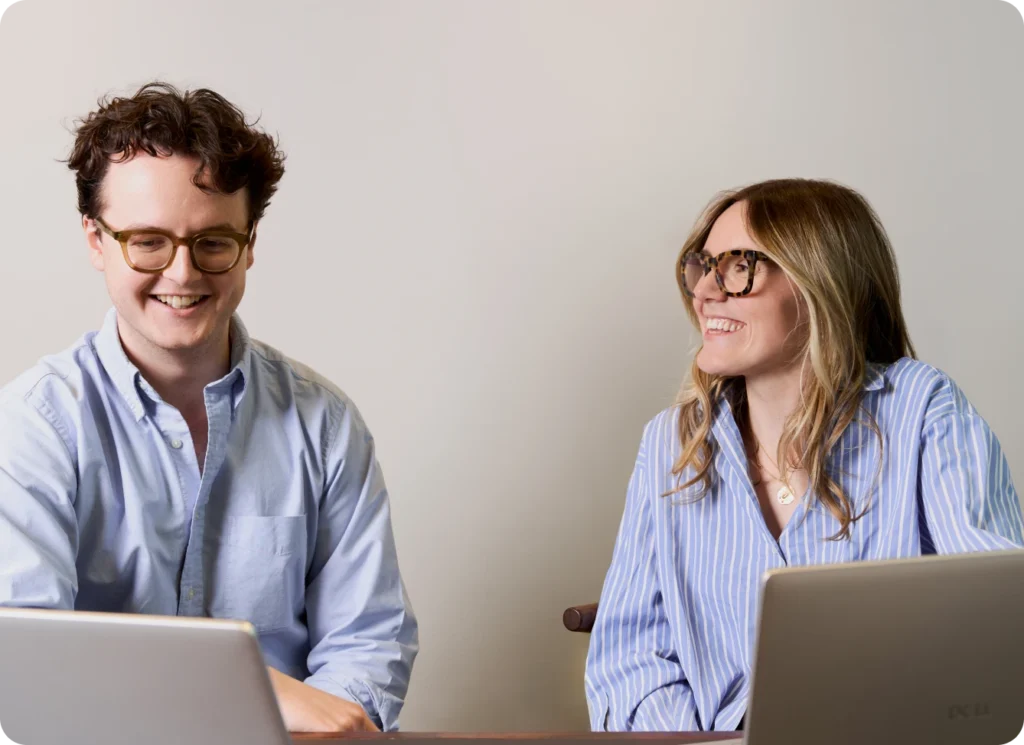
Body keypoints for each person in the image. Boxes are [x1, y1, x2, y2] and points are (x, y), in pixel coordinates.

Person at [0, 82, 418, 733]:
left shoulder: (326, 426)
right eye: (147, 241)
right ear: (94, 240)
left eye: (213, 242)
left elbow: (368, 645)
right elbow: (24, 666)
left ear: (250, 243)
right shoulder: (33, 426)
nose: (182, 272)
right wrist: (260, 689)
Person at [584, 178, 1023, 732]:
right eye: (703, 266)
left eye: (737, 266)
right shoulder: (670, 444)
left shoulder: (921, 408)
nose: (705, 293)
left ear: (818, 278)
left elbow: (999, 619)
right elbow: (629, 658)